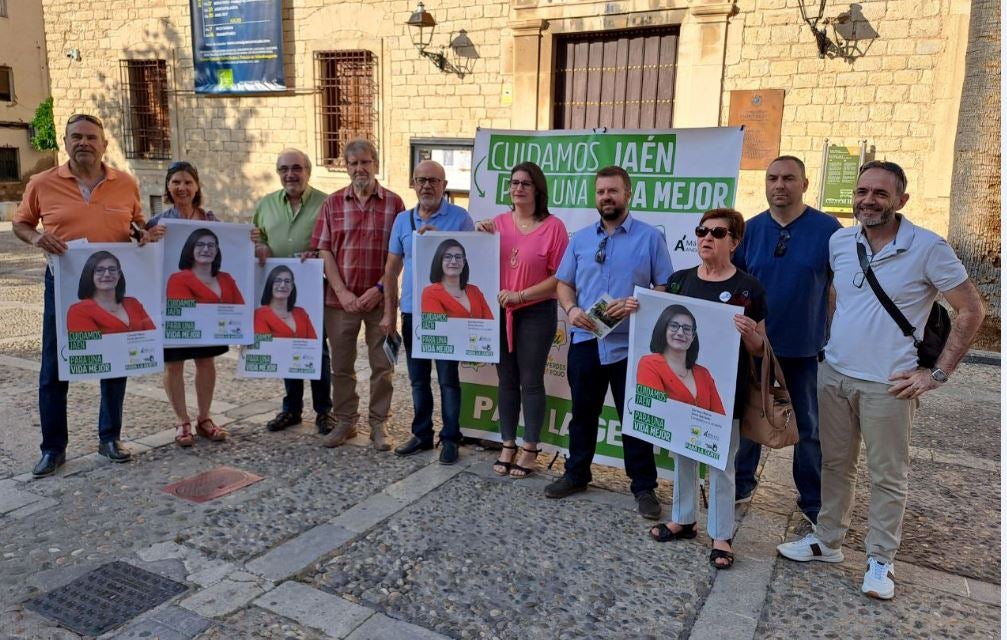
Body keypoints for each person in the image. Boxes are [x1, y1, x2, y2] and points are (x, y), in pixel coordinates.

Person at [777, 161, 984, 599]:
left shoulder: (927, 247)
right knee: (835, 465)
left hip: (889, 384)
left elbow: (971, 310)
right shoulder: (840, 240)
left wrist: (937, 373)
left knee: (888, 474)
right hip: (834, 373)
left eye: (880, 193)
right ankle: (827, 540)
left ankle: (880, 560)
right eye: (862, 191)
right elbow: (839, 296)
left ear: (901, 201)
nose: (868, 200)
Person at [13, 113, 162, 476]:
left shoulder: (124, 183)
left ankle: (109, 438)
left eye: (91, 137)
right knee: (55, 365)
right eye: (76, 137)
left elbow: (137, 223)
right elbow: (21, 223)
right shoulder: (41, 182)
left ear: (104, 144)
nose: (83, 143)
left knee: (115, 361)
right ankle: (53, 448)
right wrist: (35, 237)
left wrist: (141, 234)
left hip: (114, 289)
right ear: (65, 142)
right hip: (64, 288)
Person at [544, 165, 674, 521]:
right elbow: (563, 283)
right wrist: (570, 310)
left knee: (634, 418)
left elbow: (665, 286)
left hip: (630, 346)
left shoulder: (650, 238)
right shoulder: (581, 239)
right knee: (583, 414)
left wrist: (641, 302)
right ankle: (577, 474)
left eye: (613, 191)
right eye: (601, 192)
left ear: (628, 195)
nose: (607, 197)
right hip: (586, 339)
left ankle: (644, 487)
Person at [645, 208, 767, 571]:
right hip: (680, 389)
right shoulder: (679, 280)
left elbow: (760, 347)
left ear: (735, 241)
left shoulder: (749, 287)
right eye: (702, 231)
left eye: (717, 232)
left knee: (721, 463)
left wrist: (750, 334)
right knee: (682, 453)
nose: (707, 238)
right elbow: (659, 322)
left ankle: (721, 535)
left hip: (723, 392)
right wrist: (640, 306)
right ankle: (684, 520)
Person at [732, 155, 842, 524]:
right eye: (773, 178)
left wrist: (829, 331)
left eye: (789, 178)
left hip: (804, 349)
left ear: (804, 184)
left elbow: (835, 288)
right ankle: (740, 484)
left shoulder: (829, 230)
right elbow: (737, 286)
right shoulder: (749, 231)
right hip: (755, 348)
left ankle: (812, 500)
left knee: (808, 427)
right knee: (748, 418)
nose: (780, 185)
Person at [475, 161, 569, 478]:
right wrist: (480, 238)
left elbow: (561, 277)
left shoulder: (553, 227)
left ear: (537, 189)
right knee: (506, 380)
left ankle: (530, 447)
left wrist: (522, 295)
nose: (518, 188)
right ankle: (507, 443)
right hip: (500, 312)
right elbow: (479, 262)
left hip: (535, 311)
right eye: (514, 182)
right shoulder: (498, 223)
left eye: (525, 183)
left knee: (530, 381)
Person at [312, 138, 405, 451]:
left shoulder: (394, 204)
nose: (359, 169)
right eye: (353, 164)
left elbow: (401, 253)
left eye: (365, 162)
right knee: (341, 365)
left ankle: (379, 424)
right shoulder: (332, 203)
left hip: (381, 301)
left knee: (383, 366)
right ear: (346, 167)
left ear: (375, 165)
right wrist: (342, 291)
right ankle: (346, 422)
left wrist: (378, 289)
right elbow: (323, 248)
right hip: (340, 302)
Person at [382, 160, 474, 465]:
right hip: (413, 313)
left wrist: (438, 242)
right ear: (413, 183)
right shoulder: (401, 221)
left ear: (444, 185)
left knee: (448, 379)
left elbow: (473, 265)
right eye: (421, 180)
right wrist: (388, 314)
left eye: (434, 180)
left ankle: (450, 437)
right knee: (418, 379)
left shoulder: (460, 218)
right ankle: (421, 433)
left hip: (449, 316)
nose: (427, 186)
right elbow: (391, 269)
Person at [148, 162, 232, 448]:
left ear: (197, 187)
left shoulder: (211, 220)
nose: (182, 188)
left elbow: (232, 250)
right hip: (173, 308)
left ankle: (205, 418)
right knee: (174, 364)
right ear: (168, 188)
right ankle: (182, 420)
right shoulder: (157, 222)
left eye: (187, 182)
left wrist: (250, 240)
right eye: (175, 182)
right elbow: (141, 259)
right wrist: (147, 240)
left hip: (207, 309)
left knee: (205, 361)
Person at [253, 148, 334, 435]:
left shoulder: (327, 204)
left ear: (308, 171)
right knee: (287, 345)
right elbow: (255, 235)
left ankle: (324, 411)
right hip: (278, 290)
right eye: (284, 169)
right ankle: (292, 409)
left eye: (297, 168)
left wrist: (317, 253)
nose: (291, 174)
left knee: (316, 348)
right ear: (278, 173)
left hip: (314, 291)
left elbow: (334, 243)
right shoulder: (265, 205)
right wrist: (259, 245)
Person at [636, 304, 725, 415]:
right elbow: (655, 412)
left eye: (687, 329)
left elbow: (719, 418)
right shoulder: (649, 364)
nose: (680, 333)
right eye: (674, 326)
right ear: (663, 329)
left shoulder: (704, 373)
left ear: (693, 337)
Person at [66, 251, 156, 334]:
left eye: (112, 269)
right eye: (100, 270)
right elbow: (91, 349)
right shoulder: (78, 310)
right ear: (90, 275)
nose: (107, 274)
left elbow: (153, 337)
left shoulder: (133, 303)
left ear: (119, 274)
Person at [420, 238, 494, 320]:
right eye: (448, 257)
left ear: (464, 262)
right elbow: (437, 329)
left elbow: (489, 324)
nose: (454, 261)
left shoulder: (475, 290)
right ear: (439, 261)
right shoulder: (430, 292)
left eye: (458, 257)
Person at [166, 228, 245, 304]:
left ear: (217, 250)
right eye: (200, 245)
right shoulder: (178, 279)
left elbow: (242, 311)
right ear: (190, 248)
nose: (206, 249)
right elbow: (183, 314)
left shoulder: (226, 278)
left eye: (211, 245)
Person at [254, 265, 318, 339]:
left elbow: (314, 344)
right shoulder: (260, 315)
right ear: (270, 284)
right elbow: (264, 346)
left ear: (292, 287)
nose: (282, 285)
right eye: (277, 280)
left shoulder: (301, 313)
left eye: (287, 281)